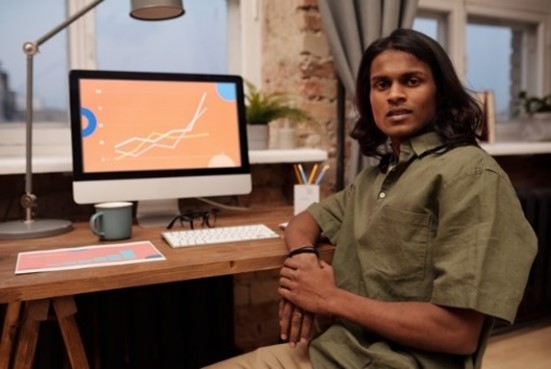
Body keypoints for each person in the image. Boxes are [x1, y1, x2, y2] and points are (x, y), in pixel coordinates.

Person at [204, 28, 537, 369]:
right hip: (334, 351)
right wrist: (303, 256)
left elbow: (458, 333)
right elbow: (306, 220)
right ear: (369, 99)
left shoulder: (470, 174)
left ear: (440, 92)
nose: (394, 95)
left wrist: (330, 298)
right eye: (382, 85)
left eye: (411, 81)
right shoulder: (374, 179)